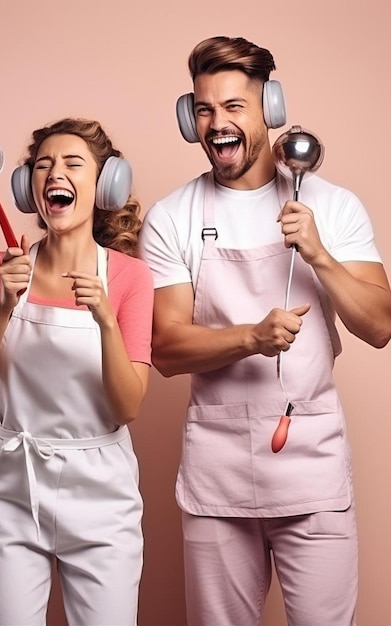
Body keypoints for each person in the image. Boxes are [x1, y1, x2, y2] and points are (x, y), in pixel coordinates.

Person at [139, 36, 391, 626]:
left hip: (313, 466)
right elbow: (167, 350)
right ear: (188, 117)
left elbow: (380, 326)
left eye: (234, 107)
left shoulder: (331, 204)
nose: (217, 123)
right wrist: (250, 337)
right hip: (217, 472)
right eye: (203, 109)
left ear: (269, 110)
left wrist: (320, 256)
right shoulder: (173, 217)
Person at [0, 117, 154, 626]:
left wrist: (107, 320)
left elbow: (128, 406)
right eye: (42, 165)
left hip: (101, 495)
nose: (53, 174)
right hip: (11, 488)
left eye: (71, 163)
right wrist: (3, 307)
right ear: (28, 189)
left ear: (105, 183)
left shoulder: (130, 277)